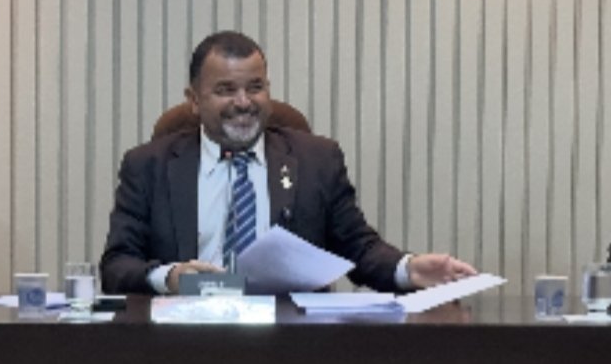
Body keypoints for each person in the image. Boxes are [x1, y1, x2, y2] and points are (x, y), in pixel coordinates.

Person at [100, 31, 476, 295]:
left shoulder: (317, 160)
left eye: (255, 87)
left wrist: (408, 268)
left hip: (291, 340)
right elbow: (117, 265)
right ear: (194, 100)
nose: (243, 102)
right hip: (186, 339)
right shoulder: (148, 166)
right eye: (226, 90)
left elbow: (359, 248)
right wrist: (170, 277)